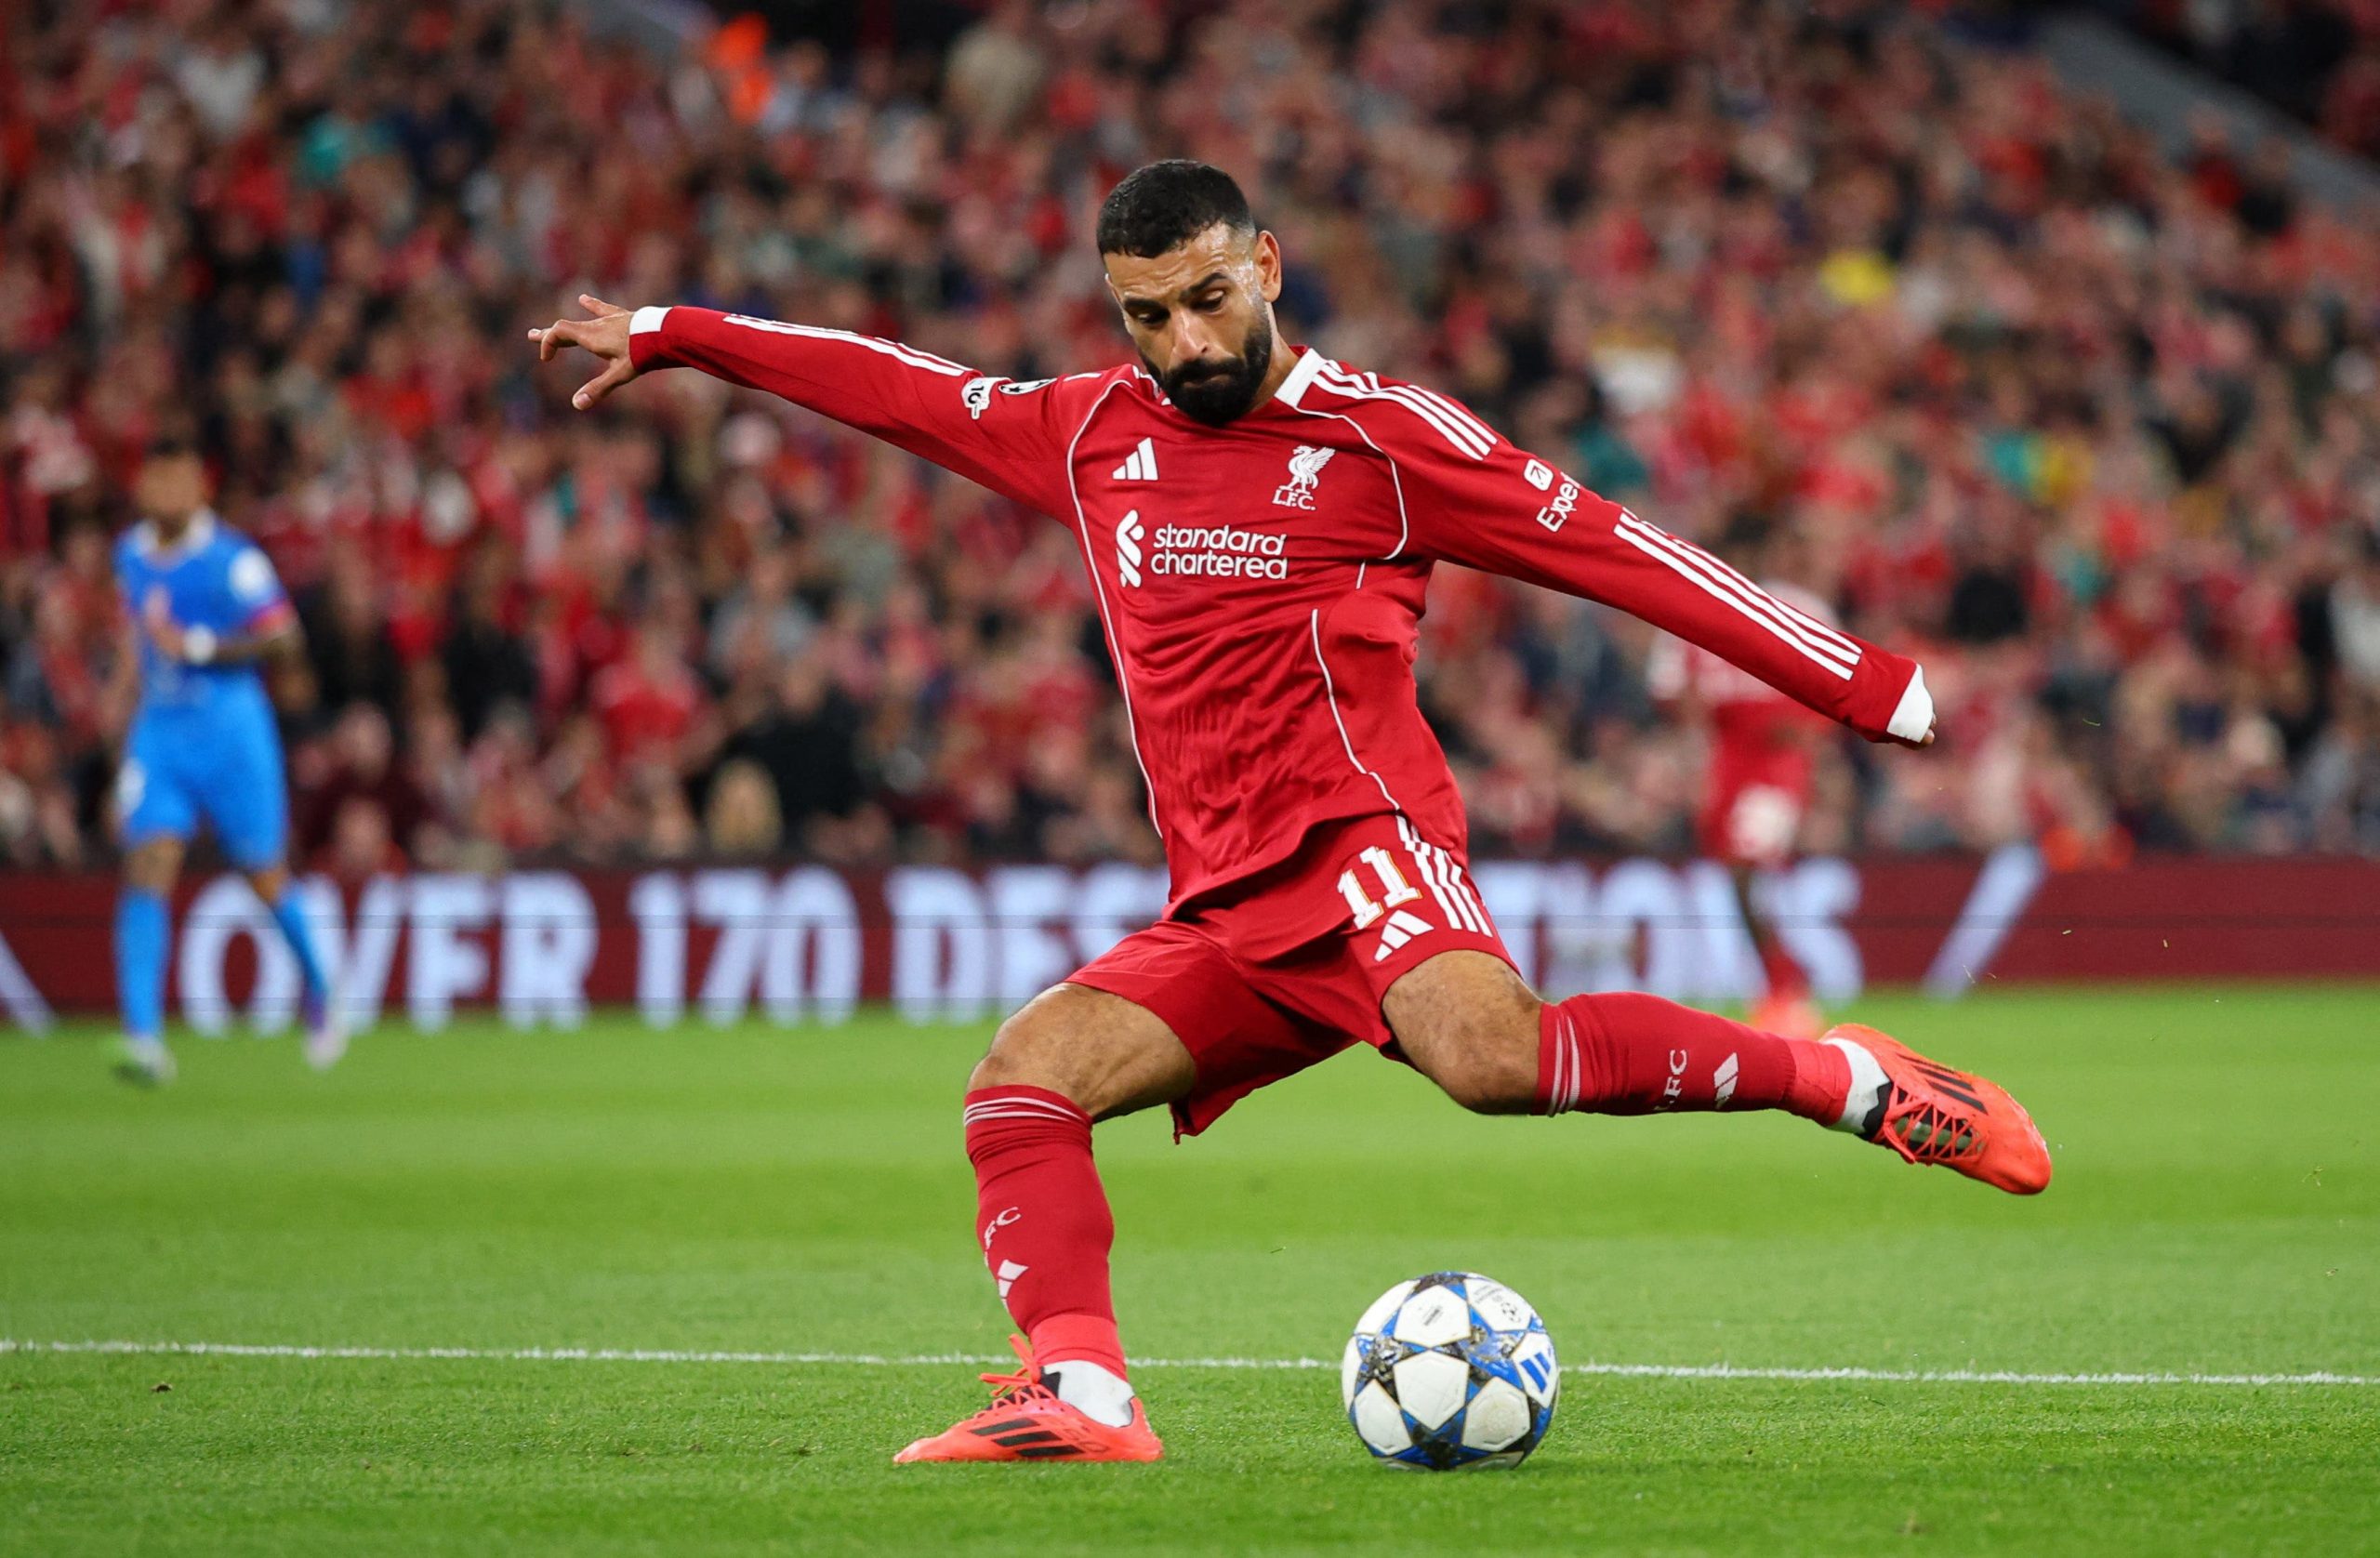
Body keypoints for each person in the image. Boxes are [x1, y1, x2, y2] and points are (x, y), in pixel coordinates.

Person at [532, 160, 2050, 1465]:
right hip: (1230, 906)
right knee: (1022, 1084)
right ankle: (1084, 1395)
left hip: (1363, 845)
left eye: (1206, 298)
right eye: (1146, 315)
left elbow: (1620, 550)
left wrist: (1864, 685)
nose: (1183, 340)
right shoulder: (1088, 434)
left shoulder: (1386, 439)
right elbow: (893, 384)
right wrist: (674, 335)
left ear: (1265, 265)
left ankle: (1847, 1080)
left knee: (1490, 1062)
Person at [108, 436, 344, 1082]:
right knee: (148, 862)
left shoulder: (231, 561)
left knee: (263, 875)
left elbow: (284, 638)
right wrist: (119, 719)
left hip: (232, 734)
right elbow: (137, 640)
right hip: (160, 733)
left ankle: (320, 985)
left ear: (201, 488)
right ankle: (142, 1038)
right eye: (157, 480)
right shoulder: (129, 553)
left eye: (179, 480)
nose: (166, 493)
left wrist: (200, 647)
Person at [1646, 522, 1837, 1039]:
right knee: (1736, 876)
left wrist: (1810, 754)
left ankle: (1787, 989)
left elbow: (1830, 691)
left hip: (1778, 763)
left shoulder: (1798, 611)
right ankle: (1778, 988)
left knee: (1749, 867)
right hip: (1726, 763)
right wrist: (1694, 753)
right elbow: (1671, 694)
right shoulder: (1688, 616)